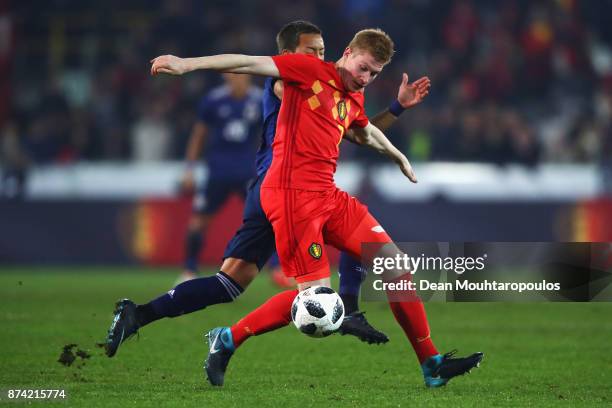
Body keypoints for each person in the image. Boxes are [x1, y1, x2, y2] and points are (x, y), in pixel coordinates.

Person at [148, 27, 483, 387]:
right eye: (363, 68)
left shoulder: (353, 97)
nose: (366, 78)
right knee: (314, 300)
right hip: (292, 197)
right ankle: (227, 338)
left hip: (328, 195)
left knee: (397, 268)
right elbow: (247, 62)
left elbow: (365, 132)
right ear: (349, 51)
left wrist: (398, 154)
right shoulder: (308, 70)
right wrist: (185, 64)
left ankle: (431, 364)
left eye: (374, 74)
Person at [105, 21, 433, 359]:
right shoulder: (291, 78)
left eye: (323, 51)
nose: (321, 56)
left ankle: (140, 315)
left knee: (229, 283)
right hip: (285, 189)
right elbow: (247, 63)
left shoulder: (336, 88)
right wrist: (187, 64)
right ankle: (342, 308)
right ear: (289, 55)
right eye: (313, 51)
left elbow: (357, 129)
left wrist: (397, 122)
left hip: (274, 190)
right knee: (323, 279)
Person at [179, 73, 262, 282]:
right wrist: (189, 168)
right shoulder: (213, 100)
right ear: (226, 76)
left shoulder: (260, 100)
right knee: (199, 221)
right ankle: (189, 269)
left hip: (248, 171)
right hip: (217, 171)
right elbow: (199, 135)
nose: (238, 79)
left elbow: (271, 133)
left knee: (267, 218)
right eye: (233, 75)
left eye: (241, 75)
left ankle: (279, 268)